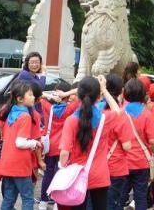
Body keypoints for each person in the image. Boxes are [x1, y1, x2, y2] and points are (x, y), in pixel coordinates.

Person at [59, 76, 121, 209]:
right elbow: (118, 111)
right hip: (100, 175)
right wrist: (104, 90)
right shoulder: (104, 118)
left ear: (78, 96)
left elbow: (64, 152)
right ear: (98, 97)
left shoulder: (71, 121)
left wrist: (61, 167)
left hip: (77, 175)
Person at [0, 81, 40, 210]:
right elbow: (20, 143)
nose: (33, 97)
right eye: (30, 95)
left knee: (9, 198)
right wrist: (35, 142)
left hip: (7, 162)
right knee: (27, 198)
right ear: (20, 99)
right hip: (19, 164)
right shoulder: (25, 116)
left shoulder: (12, 113)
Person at [39, 81, 80, 210]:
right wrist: (67, 93)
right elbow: (80, 92)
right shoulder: (71, 108)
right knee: (61, 175)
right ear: (67, 96)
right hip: (65, 147)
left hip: (50, 147)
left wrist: (49, 96)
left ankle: (43, 201)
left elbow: (39, 94)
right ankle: (58, 202)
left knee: (48, 174)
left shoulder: (47, 107)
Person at [121, 78, 154, 210]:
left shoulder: (120, 112)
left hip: (123, 161)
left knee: (120, 196)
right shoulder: (147, 114)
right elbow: (153, 140)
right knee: (140, 197)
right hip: (141, 162)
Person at [105, 74, 132, 210]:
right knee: (112, 203)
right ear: (121, 90)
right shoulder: (120, 115)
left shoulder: (97, 110)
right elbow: (127, 146)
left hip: (97, 166)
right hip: (116, 166)